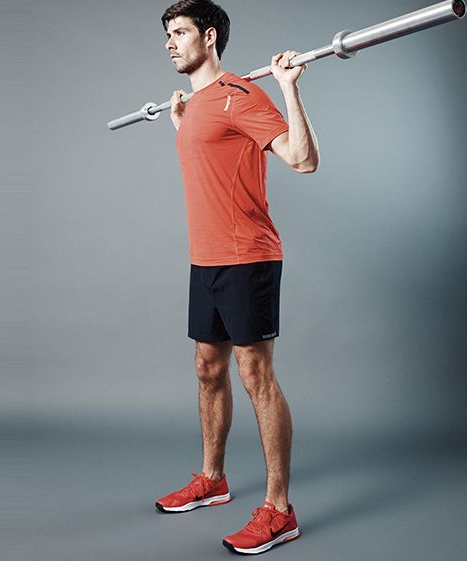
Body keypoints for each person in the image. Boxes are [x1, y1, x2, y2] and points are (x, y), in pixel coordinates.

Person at [150, 0, 319, 555]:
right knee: (207, 368)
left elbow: (302, 159)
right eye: (167, 34)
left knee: (255, 374)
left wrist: (289, 87)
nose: (170, 43)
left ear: (210, 37)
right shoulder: (198, 104)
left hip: (247, 256)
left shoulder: (240, 93)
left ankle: (279, 510)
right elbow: (213, 159)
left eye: (180, 32)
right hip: (205, 259)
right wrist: (184, 124)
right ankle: (212, 480)